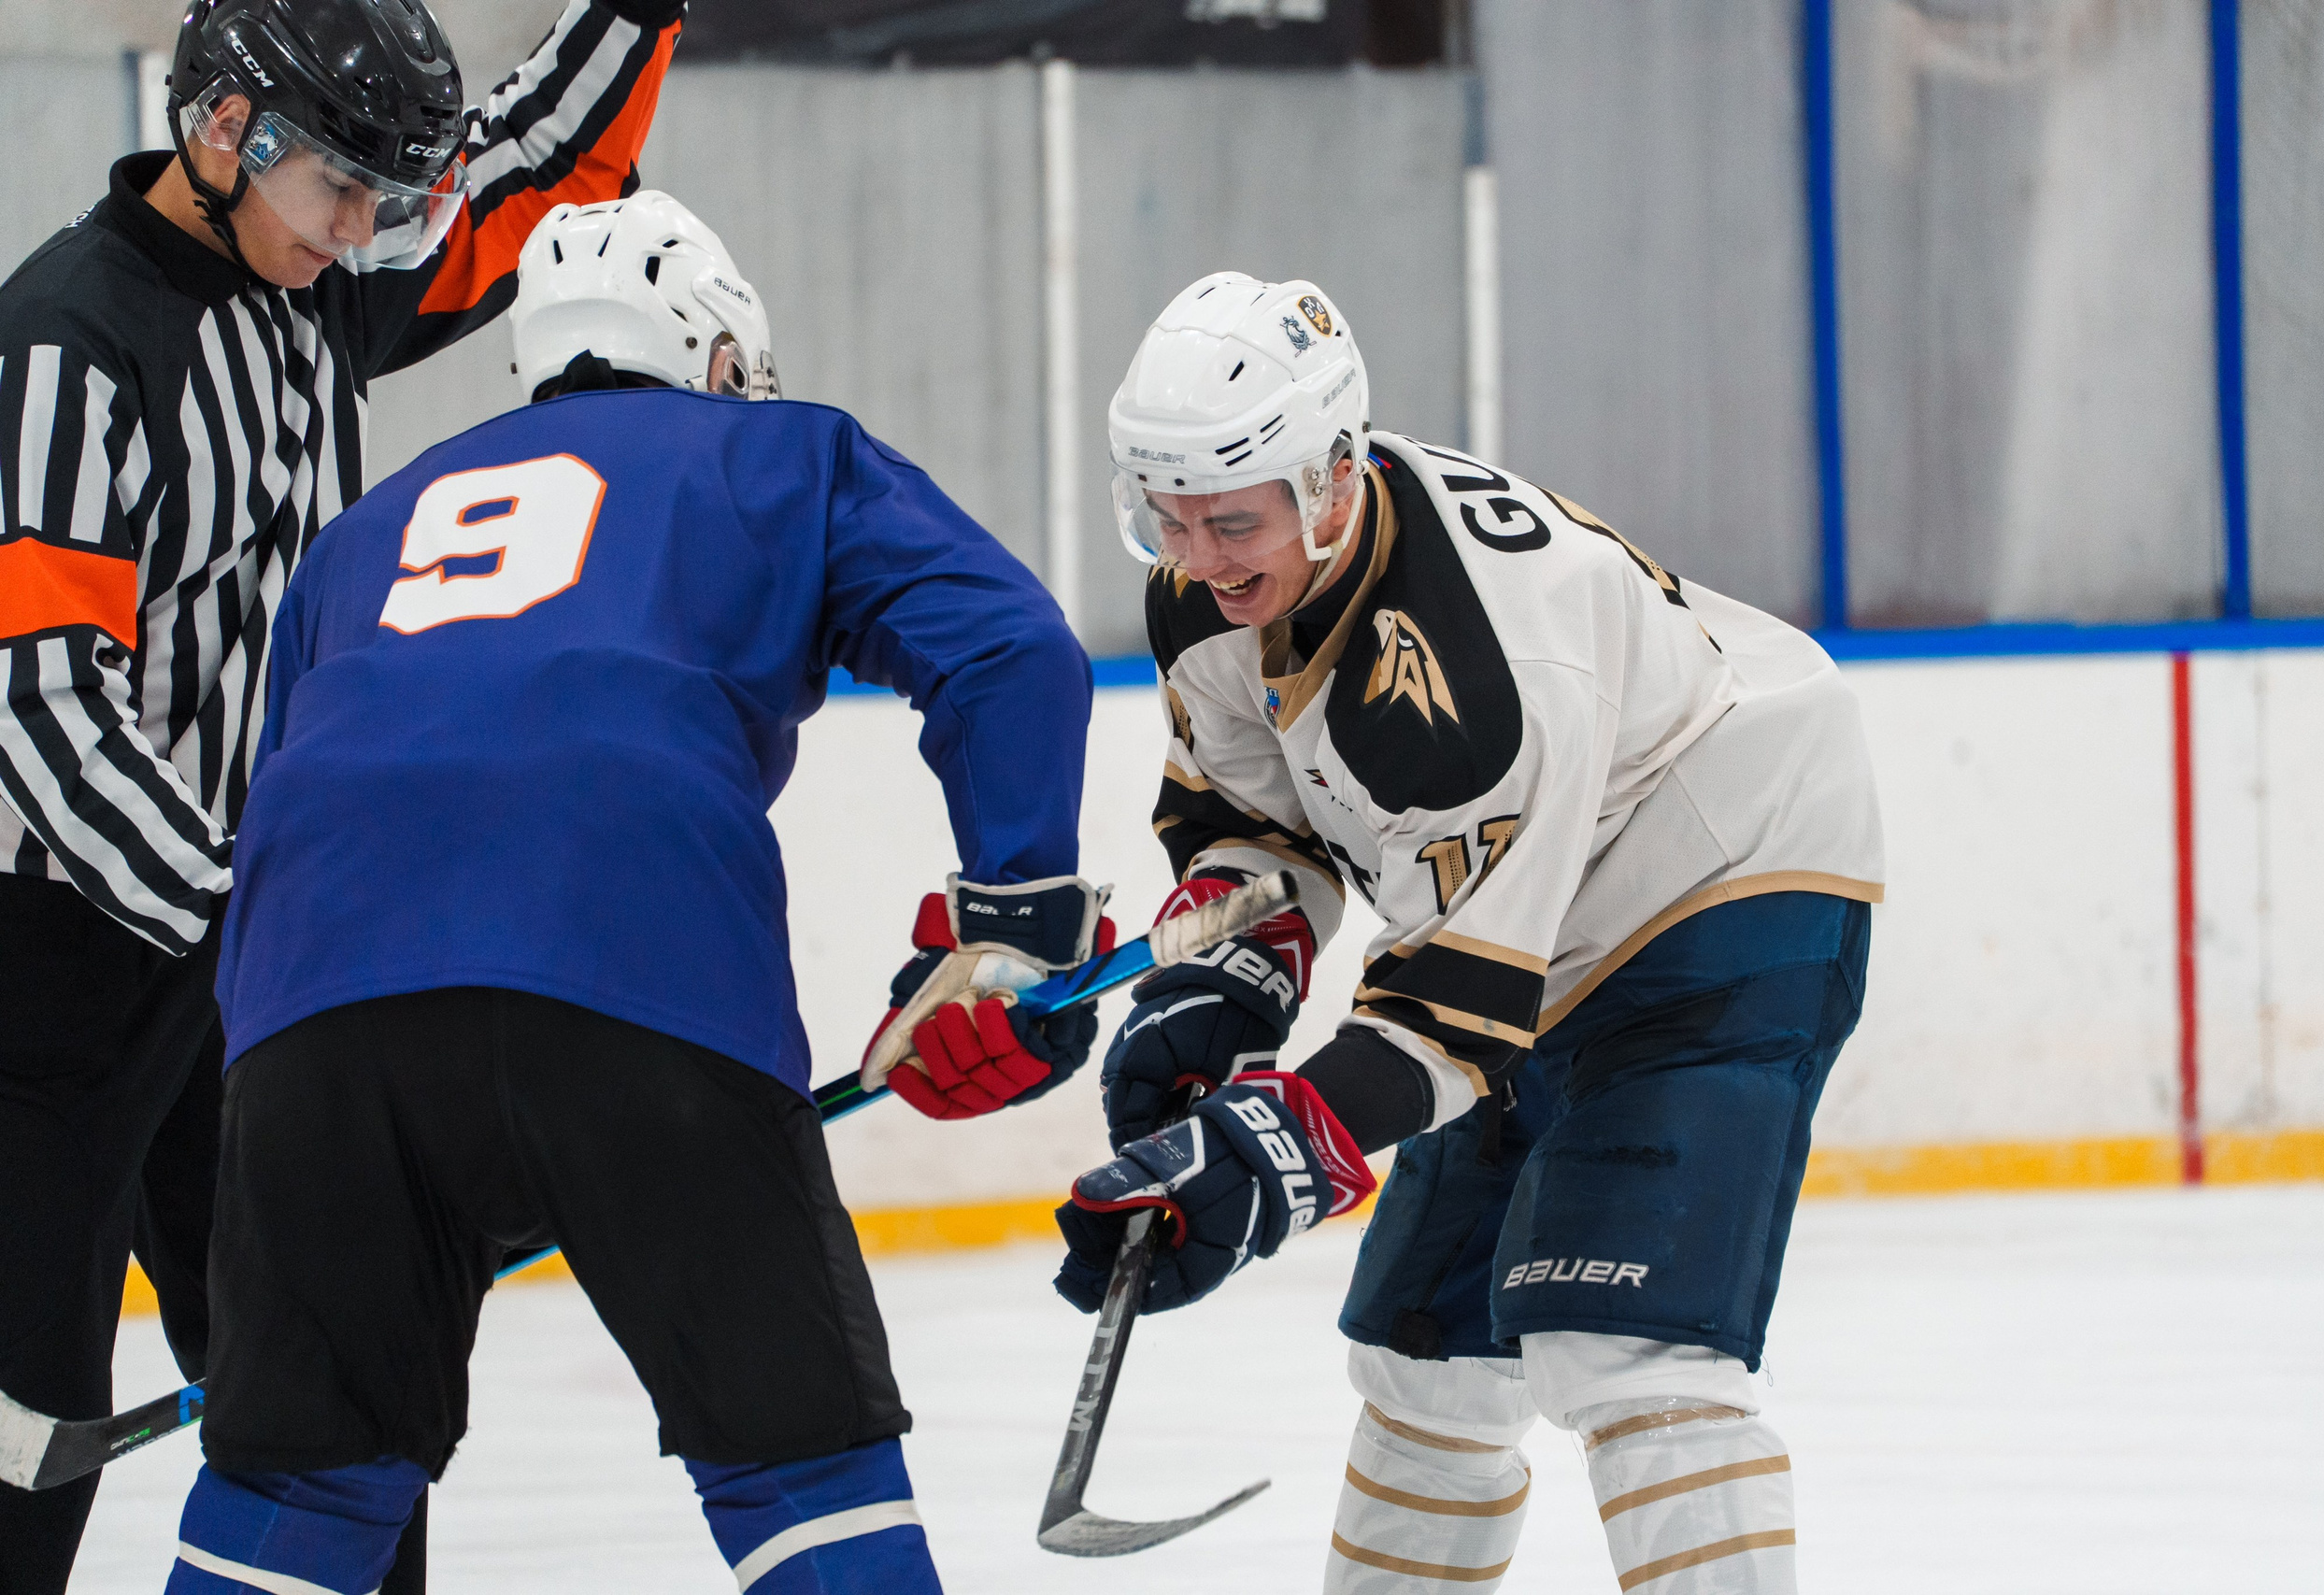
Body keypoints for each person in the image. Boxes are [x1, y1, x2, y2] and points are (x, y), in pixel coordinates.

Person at [158, 190, 1101, 1595]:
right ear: (720, 358)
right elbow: (1011, 648)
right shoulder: (780, 453)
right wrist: (1018, 927)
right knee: (804, 1467)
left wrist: (431, 1140)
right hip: (638, 966)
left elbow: (298, 792)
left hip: (311, 1017)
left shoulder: (363, 536)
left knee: (298, 1490)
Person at [1053, 272, 1885, 1593]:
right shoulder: (1213, 595)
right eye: (1169, 517)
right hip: (1528, 906)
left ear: (1329, 482)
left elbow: (1454, 1013)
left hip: (1729, 862)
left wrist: (1261, 1150)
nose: (1198, 557)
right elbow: (1254, 825)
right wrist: (1223, 989)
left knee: (1627, 1348)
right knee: (1426, 1355)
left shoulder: (1482, 662)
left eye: (1229, 521)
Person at [0, 0, 688, 1588]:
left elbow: (534, 171)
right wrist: (247, 911)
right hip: (47, 982)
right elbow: (37, 704)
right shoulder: (67, 345)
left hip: (243, 965)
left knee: (340, 1391)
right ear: (224, 134)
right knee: (24, 1433)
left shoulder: (310, 289)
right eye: (341, 195)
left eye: (381, 201)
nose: (364, 235)